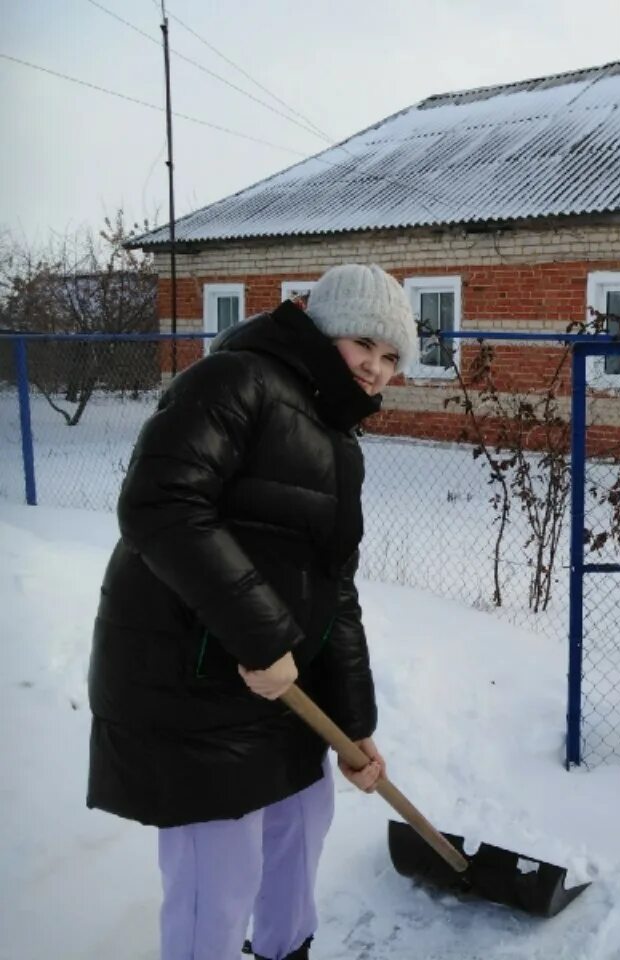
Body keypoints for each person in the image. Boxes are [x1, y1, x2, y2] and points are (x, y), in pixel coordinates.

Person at [87, 263, 419, 959]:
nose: (377, 368)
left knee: (302, 827)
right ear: (325, 327)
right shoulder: (236, 381)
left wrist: (354, 727)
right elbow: (161, 503)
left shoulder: (336, 439)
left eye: (392, 358)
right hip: (191, 682)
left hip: (276, 683)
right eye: (368, 345)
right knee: (219, 873)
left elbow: (336, 588)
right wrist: (263, 638)